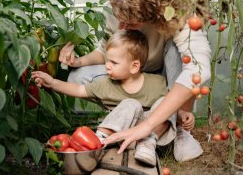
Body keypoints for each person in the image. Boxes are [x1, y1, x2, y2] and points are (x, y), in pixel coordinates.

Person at [58, 0, 211, 162]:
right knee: (78, 76)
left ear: (153, 15)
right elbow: (106, 51)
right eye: (118, 19)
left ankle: (176, 126)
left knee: (180, 53)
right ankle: (129, 117)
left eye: (130, 23)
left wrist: (146, 127)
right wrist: (78, 61)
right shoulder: (118, 6)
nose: (121, 27)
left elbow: (198, 70)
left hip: (164, 77)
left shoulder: (180, 12)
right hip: (129, 76)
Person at [32, 30, 177, 167]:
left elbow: (173, 105)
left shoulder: (157, 83)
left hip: (150, 135)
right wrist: (52, 83)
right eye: (107, 60)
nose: (107, 66)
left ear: (134, 66)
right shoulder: (106, 85)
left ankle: (147, 144)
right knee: (130, 104)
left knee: (167, 102)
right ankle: (99, 140)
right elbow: (78, 89)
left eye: (113, 63)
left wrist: (184, 114)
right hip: (121, 134)